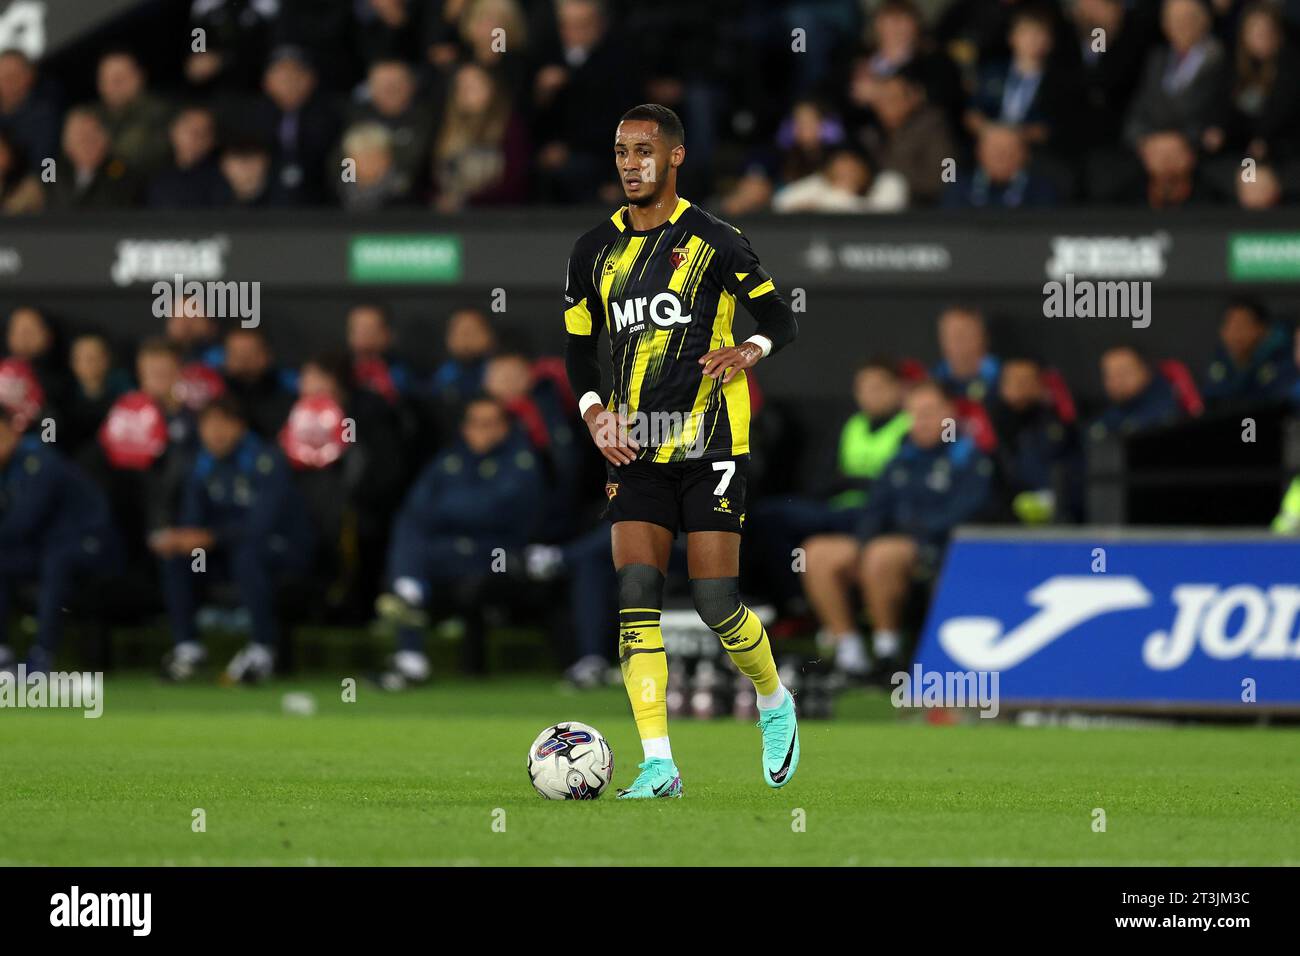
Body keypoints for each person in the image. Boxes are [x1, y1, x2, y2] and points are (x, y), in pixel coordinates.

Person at [563, 103, 800, 797]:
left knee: (715, 599)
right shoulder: (592, 251)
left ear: (674, 157)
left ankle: (773, 699)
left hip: (712, 442)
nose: (629, 162)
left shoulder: (716, 240)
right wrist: (594, 412)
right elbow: (580, 350)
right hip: (636, 447)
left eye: (643, 149)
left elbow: (781, 317)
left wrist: (749, 350)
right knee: (636, 590)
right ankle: (659, 762)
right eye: (619, 150)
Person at [801, 382, 994, 679]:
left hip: (937, 552)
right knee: (817, 553)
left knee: (882, 554)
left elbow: (965, 514)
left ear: (951, 414)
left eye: (929, 412)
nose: (922, 421)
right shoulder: (902, 459)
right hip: (884, 547)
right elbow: (875, 509)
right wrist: (864, 542)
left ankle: (886, 653)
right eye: (914, 414)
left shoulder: (968, 458)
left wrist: (903, 537)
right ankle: (849, 654)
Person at [373, 395, 545, 688]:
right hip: (450, 551)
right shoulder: (449, 460)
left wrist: (447, 509)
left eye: (490, 424)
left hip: (499, 555)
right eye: (475, 423)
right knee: (409, 533)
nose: (482, 431)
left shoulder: (522, 460)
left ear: (505, 428)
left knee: (420, 554)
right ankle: (409, 626)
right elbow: (415, 510)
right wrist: (452, 511)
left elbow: (489, 510)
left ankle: (408, 595)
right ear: (464, 428)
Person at [153, 398, 315, 684]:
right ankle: (188, 647)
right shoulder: (201, 465)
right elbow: (194, 522)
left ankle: (263, 648)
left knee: (248, 554)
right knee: (180, 557)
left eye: (223, 424)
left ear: (239, 426)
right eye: (208, 425)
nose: (216, 432)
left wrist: (210, 537)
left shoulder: (265, 460)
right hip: (223, 555)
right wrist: (181, 538)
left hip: (280, 552)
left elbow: (260, 526)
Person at [0, 412, 122, 674]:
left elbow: (24, 521)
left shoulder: (39, 461)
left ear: (13, 431)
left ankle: (43, 656)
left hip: (92, 542)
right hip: (50, 545)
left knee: (57, 560)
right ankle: (3, 653)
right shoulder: (7, 466)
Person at [1201, 297, 1291, 408]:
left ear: (1261, 329)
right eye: (1229, 325)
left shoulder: (1283, 363)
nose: (1234, 334)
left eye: (1241, 326)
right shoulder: (1219, 362)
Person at [1090, 346, 1182, 439]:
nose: (1116, 382)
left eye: (1122, 373)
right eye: (1109, 376)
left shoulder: (1165, 407)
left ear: (1145, 371)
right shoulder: (1114, 411)